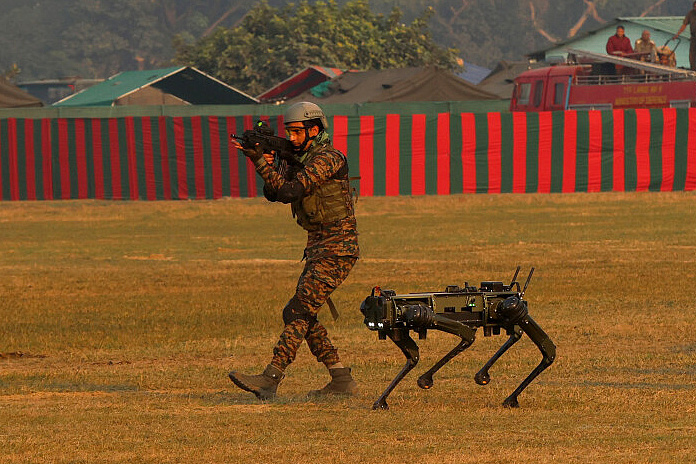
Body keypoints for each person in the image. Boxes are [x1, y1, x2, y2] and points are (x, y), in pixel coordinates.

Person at [228, 102, 359, 400]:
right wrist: (265, 162)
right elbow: (273, 193)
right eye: (288, 132)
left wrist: (262, 162)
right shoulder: (302, 157)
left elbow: (290, 192)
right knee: (298, 312)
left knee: (299, 310)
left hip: (338, 248)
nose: (292, 138)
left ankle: (270, 378)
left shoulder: (329, 158)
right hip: (318, 247)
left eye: (297, 132)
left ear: (315, 130)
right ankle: (340, 379)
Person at [673, 1, 696, 70]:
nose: (695, 8)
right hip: (694, 37)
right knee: (692, 55)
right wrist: (677, 34)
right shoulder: (691, 13)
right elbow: (684, 25)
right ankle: (693, 69)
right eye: (694, 7)